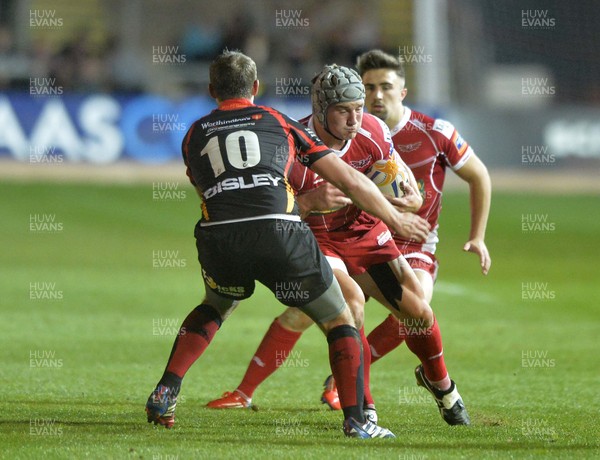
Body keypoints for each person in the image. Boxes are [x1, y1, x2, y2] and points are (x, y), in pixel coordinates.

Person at [143, 51, 405, 439]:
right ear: (255, 88)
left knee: (216, 304)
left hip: (218, 235)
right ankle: (357, 420)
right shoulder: (276, 120)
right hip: (280, 231)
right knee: (339, 317)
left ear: (212, 89)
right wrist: (396, 218)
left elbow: (206, 189)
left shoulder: (193, 133)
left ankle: (166, 389)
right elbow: (348, 179)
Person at [206, 64, 470, 426]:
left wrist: (404, 195)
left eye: (359, 108)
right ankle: (364, 407)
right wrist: (310, 201)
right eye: (344, 110)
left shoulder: (373, 131)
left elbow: (400, 182)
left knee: (419, 313)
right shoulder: (289, 142)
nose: (354, 118)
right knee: (352, 306)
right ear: (320, 110)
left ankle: (442, 387)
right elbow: (271, 212)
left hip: (364, 231)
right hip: (316, 238)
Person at [350, 49, 491, 424]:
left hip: (416, 247)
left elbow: (479, 176)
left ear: (403, 90)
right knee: (337, 313)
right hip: (364, 242)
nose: (377, 95)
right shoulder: (352, 135)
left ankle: (433, 382)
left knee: (415, 311)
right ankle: (353, 395)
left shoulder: (436, 132)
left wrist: (477, 236)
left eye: (385, 87)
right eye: (368, 88)